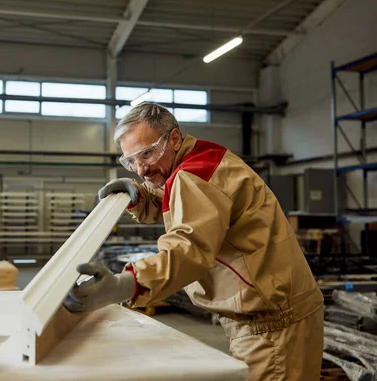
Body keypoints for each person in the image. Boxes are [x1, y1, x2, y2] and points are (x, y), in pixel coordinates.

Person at [64, 102, 324, 380]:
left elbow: (188, 250)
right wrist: (139, 197)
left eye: (147, 154)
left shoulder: (194, 176)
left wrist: (125, 284)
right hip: (277, 312)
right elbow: (182, 201)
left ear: (174, 138)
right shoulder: (203, 158)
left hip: (272, 326)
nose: (141, 170)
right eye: (131, 162)